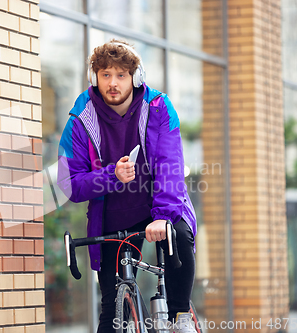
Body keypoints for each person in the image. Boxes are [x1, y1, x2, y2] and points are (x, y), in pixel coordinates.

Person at [57, 39, 198, 333]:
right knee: (111, 309)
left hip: (159, 206)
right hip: (114, 216)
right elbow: (69, 183)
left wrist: (164, 216)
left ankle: (181, 315)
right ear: (94, 78)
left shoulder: (158, 107)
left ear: (135, 77)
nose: (113, 83)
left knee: (178, 235)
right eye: (105, 74)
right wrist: (112, 176)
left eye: (121, 75)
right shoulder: (80, 121)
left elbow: (169, 165)